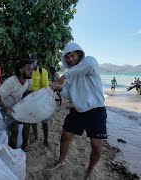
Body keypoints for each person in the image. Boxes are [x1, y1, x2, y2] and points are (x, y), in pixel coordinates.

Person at [50, 42, 107, 179]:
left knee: (96, 146)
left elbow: (85, 67)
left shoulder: (89, 61)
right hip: (77, 110)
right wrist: (60, 88)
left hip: (96, 110)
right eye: (67, 57)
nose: (70, 59)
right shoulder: (70, 75)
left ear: (79, 54)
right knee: (65, 136)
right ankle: (61, 160)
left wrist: (63, 77)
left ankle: (89, 171)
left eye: (72, 55)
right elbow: (69, 96)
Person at [0, 58, 33, 149]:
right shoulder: (11, 82)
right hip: (5, 108)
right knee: (15, 129)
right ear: (21, 70)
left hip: (17, 107)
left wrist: (24, 104)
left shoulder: (28, 80)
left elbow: (25, 92)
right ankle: (12, 151)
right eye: (29, 69)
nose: (31, 71)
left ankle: (24, 148)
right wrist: (6, 108)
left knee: (28, 124)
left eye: (32, 69)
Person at [21, 53, 51, 151]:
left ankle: (46, 140)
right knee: (32, 119)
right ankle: (36, 136)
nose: (30, 64)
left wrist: (40, 101)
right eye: (28, 62)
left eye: (32, 62)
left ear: (36, 61)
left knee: (45, 121)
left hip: (41, 98)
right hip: (29, 99)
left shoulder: (43, 72)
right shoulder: (26, 71)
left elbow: (45, 89)